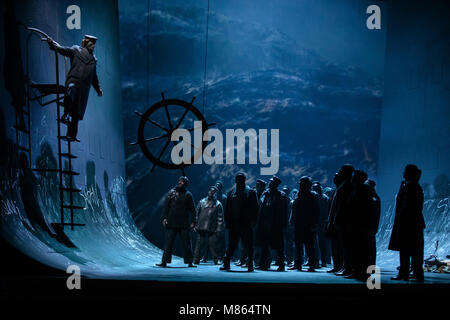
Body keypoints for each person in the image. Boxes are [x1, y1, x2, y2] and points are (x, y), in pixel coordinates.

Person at [47, 35, 103, 141]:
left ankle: (72, 135)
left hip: (83, 89)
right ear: (86, 42)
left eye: (93, 43)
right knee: (70, 94)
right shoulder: (76, 50)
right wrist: (52, 44)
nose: (93, 45)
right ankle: (66, 114)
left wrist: (98, 89)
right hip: (74, 82)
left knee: (77, 113)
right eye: (91, 42)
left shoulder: (93, 60)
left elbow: (94, 77)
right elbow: (62, 49)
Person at [389, 164, 425, 281]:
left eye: (405, 171)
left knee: (405, 250)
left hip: (407, 224)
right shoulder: (415, 186)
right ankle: (416, 273)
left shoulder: (409, 187)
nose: (402, 173)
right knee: (415, 250)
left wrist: (401, 220)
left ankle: (404, 273)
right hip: (415, 223)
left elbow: (406, 206)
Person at [220, 173, 259, 272]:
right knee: (231, 245)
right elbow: (227, 209)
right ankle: (227, 263)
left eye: (241, 179)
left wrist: (253, 221)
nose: (239, 181)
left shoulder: (250, 192)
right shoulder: (231, 193)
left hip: (246, 223)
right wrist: (227, 222)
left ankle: (250, 264)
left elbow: (256, 208)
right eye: (237, 179)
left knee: (248, 244)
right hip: (234, 223)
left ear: (244, 180)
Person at [156, 176, 197, 268]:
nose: (181, 183)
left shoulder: (188, 195)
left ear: (186, 184)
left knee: (187, 243)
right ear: (178, 182)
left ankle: (190, 262)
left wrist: (194, 221)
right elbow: (166, 206)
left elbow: (192, 209)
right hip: (171, 222)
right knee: (168, 243)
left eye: (184, 182)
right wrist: (164, 218)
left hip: (183, 223)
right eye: (180, 182)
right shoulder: (171, 193)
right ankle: (164, 262)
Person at [256, 176, 288, 271]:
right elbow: (261, 207)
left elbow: (284, 211)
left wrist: (282, 224)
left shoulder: (281, 195)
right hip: (265, 224)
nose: (270, 184)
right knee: (264, 245)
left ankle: (281, 264)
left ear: (276, 184)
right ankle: (263, 264)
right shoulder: (265, 194)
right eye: (270, 182)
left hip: (276, 224)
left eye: (272, 182)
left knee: (279, 246)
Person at [290, 176, 320, 272]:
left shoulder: (313, 195)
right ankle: (297, 264)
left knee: (309, 246)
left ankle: (312, 264)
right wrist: (292, 219)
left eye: (302, 183)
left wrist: (315, 223)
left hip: (308, 223)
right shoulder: (299, 194)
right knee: (298, 245)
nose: (300, 185)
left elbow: (316, 210)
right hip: (299, 223)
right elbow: (294, 208)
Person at [346, 170, 372, 280]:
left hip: (360, 225)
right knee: (357, 249)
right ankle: (358, 271)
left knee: (359, 249)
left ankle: (360, 271)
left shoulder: (363, 190)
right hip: (357, 224)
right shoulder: (357, 190)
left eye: (354, 177)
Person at [329, 164, 354, 276]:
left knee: (345, 246)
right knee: (338, 245)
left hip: (343, 221)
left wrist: (337, 219)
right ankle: (340, 266)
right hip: (338, 220)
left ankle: (346, 267)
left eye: (341, 171)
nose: (338, 174)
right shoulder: (341, 186)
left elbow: (343, 206)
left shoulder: (348, 186)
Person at [193, 186, 223, 265]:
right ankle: (196, 259)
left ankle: (216, 259)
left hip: (212, 227)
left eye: (214, 191)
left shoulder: (218, 204)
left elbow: (220, 218)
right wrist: (195, 223)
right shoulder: (202, 201)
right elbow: (196, 213)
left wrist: (219, 228)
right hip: (201, 225)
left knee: (214, 244)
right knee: (199, 243)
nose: (211, 192)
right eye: (211, 191)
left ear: (216, 194)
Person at [312, 182, 331, 268]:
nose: (315, 190)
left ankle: (323, 260)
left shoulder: (325, 198)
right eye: (314, 188)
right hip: (314, 223)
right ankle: (313, 260)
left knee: (322, 243)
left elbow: (327, 211)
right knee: (313, 243)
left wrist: (326, 223)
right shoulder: (312, 197)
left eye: (317, 188)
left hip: (322, 223)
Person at [365, 179, 380, 266]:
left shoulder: (373, 198)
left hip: (370, 227)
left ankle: (370, 265)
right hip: (370, 226)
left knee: (370, 247)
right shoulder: (374, 197)